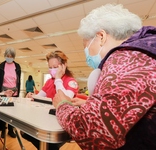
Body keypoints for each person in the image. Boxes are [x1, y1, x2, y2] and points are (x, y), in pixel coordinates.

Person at [53, 4, 156, 149]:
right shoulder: (146, 50)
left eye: (86, 47)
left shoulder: (127, 58)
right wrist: (96, 105)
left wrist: (62, 105)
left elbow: (93, 133)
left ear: (100, 37)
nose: (87, 55)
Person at [22, 50, 79, 150]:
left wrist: (58, 79)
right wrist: (32, 96)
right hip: (48, 119)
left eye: (55, 67)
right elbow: (40, 96)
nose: (52, 70)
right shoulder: (49, 81)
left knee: (47, 143)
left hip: (63, 124)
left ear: (63, 66)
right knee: (25, 132)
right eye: (50, 67)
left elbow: (65, 100)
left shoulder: (71, 81)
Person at [0, 47, 21, 138]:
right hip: (4, 91)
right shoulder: (1, 66)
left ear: (14, 57)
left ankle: (11, 130)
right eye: (7, 56)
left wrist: (15, 90)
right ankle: (2, 130)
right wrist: (4, 90)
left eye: (11, 56)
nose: (9, 57)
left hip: (14, 91)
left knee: (12, 112)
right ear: (5, 56)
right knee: (3, 111)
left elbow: (18, 79)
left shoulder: (17, 66)